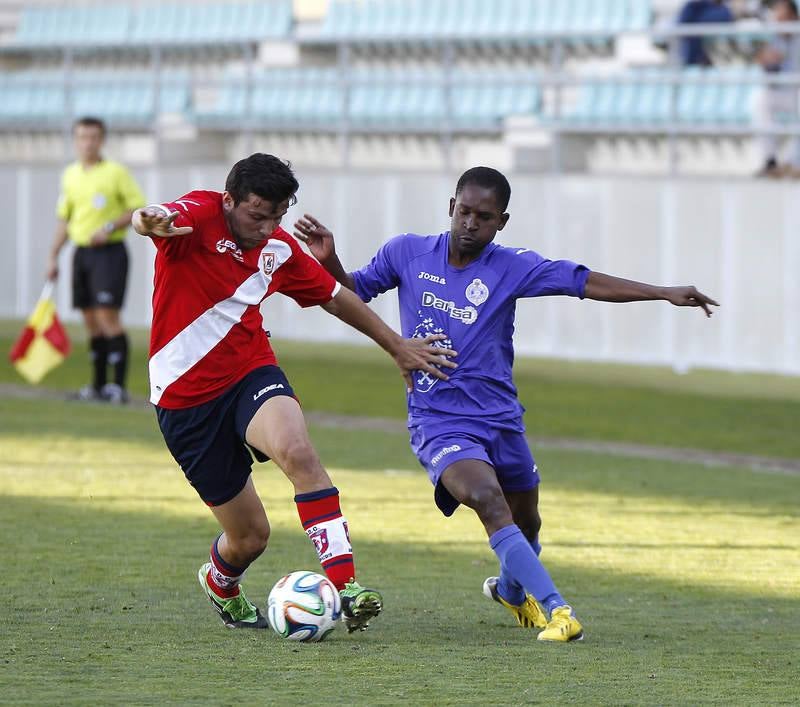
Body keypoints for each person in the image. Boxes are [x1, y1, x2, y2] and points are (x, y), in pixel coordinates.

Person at [294, 166, 719, 643]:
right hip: (438, 419)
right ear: (450, 207)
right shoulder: (406, 252)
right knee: (485, 498)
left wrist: (661, 293)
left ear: (502, 222)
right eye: (465, 211)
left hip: (500, 417)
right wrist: (328, 262)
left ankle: (512, 591)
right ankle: (558, 610)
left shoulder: (511, 266)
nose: (471, 222)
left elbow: (583, 282)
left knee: (527, 520)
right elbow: (352, 291)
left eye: (484, 216)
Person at [131, 153, 456, 632]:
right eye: (257, 215)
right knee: (250, 538)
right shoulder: (198, 214)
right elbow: (153, 218)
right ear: (229, 200)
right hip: (184, 400)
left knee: (298, 451)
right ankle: (221, 581)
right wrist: (147, 221)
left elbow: (335, 297)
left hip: (249, 371)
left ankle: (347, 587)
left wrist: (396, 346)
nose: (267, 227)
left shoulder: (278, 248)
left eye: (277, 217)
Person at [46, 116, 145, 403]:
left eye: (93, 137)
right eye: (82, 137)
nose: (87, 143)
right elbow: (64, 219)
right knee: (90, 319)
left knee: (107, 316)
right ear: (76, 140)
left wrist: (110, 227)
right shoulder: (70, 175)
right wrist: (53, 256)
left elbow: (137, 208)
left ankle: (118, 387)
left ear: (101, 140)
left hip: (109, 254)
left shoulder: (116, 173)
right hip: (82, 254)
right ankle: (98, 386)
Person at [753, 0, 800, 177]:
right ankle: (770, 161)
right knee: (760, 100)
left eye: (783, 16)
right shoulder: (775, 38)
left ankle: (794, 163)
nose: (779, 20)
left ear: (795, 17)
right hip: (783, 92)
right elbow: (765, 67)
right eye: (777, 16)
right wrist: (767, 59)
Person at [676, 1, 734, 66]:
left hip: (714, 60)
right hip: (691, 59)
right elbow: (680, 25)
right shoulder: (691, 7)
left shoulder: (722, 10)